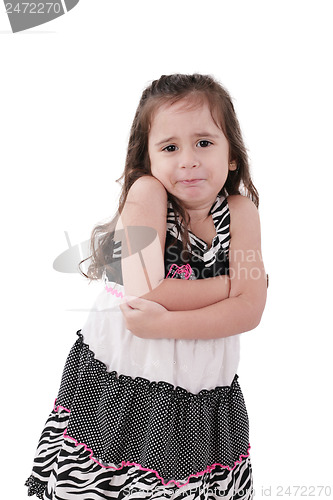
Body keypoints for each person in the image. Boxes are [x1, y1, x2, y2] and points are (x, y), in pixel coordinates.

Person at [25, 73, 267, 500]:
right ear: (149, 160)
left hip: (201, 383)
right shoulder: (148, 194)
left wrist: (168, 323)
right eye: (170, 148)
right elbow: (142, 292)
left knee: (184, 483)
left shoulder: (240, 211)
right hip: (128, 376)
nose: (188, 160)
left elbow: (250, 312)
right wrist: (234, 285)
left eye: (204, 143)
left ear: (232, 156)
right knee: (112, 481)